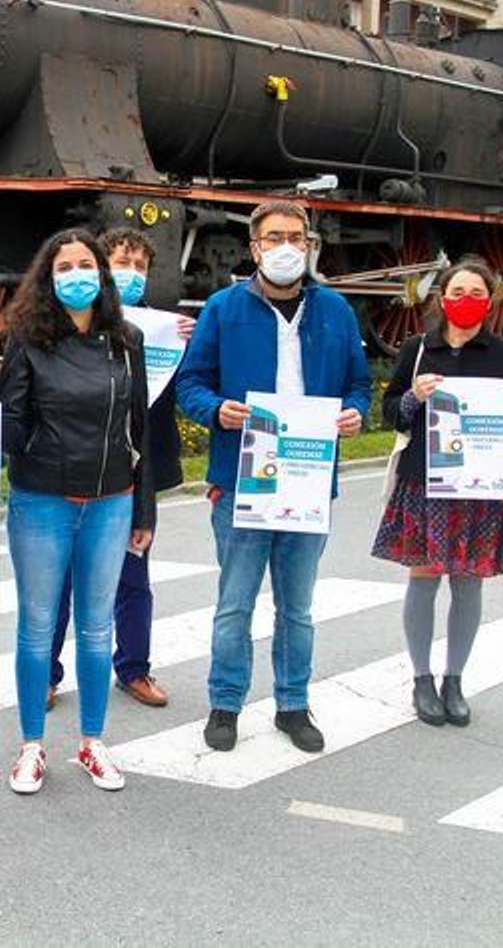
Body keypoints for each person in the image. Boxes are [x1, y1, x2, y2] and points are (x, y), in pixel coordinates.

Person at [174, 200, 370, 754]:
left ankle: (292, 705)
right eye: (275, 237)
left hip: (308, 481)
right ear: (255, 248)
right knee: (235, 604)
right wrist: (216, 410)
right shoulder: (223, 308)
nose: (287, 247)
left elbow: (358, 385)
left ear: (309, 245)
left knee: (297, 609)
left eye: (296, 237)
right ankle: (225, 704)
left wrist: (355, 413)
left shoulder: (335, 311)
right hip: (243, 480)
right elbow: (191, 383)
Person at [0, 228, 154, 794]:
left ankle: (92, 742)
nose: (76, 276)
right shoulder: (27, 338)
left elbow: (140, 427)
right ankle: (31, 746)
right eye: (63, 267)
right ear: (47, 278)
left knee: (95, 627)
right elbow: (12, 425)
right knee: (37, 626)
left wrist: (144, 510)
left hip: (111, 501)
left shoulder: (127, 340)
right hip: (43, 500)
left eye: (85, 264)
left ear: (101, 274)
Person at [371, 257, 503, 727]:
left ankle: (455, 679)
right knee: (423, 578)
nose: (467, 301)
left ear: (491, 300)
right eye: (458, 293)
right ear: (442, 299)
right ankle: (421, 678)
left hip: (481, 487)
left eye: (477, 294)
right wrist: (414, 397)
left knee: (468, 583)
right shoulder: (418, 350)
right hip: (425, 483)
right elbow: (389, 412)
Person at [46, 227, 191, 711]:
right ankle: (46, 673)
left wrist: (188, 347)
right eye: (121, 263)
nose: (130, 273)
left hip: (133, 472)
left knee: (133, 576)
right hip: (72, 470)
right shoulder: (65, 325)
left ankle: (133, 669)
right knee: (61, 581)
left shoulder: (161, 330)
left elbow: (178, 395)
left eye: (139, 266)